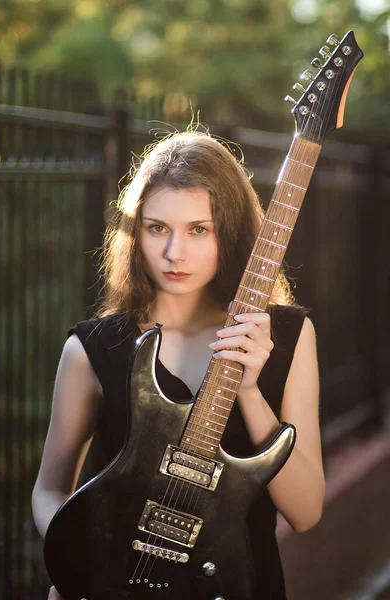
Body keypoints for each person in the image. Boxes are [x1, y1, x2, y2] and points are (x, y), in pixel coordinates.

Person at [32, 130, 325, 600]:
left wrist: (249, 390)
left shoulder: (286, 336)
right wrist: (85, 562)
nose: (174, 254)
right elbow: (49, 491)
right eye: (156, 228)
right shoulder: (93, 349)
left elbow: (306, 511)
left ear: (228, 232)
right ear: (134, 232)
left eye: (198, 229)